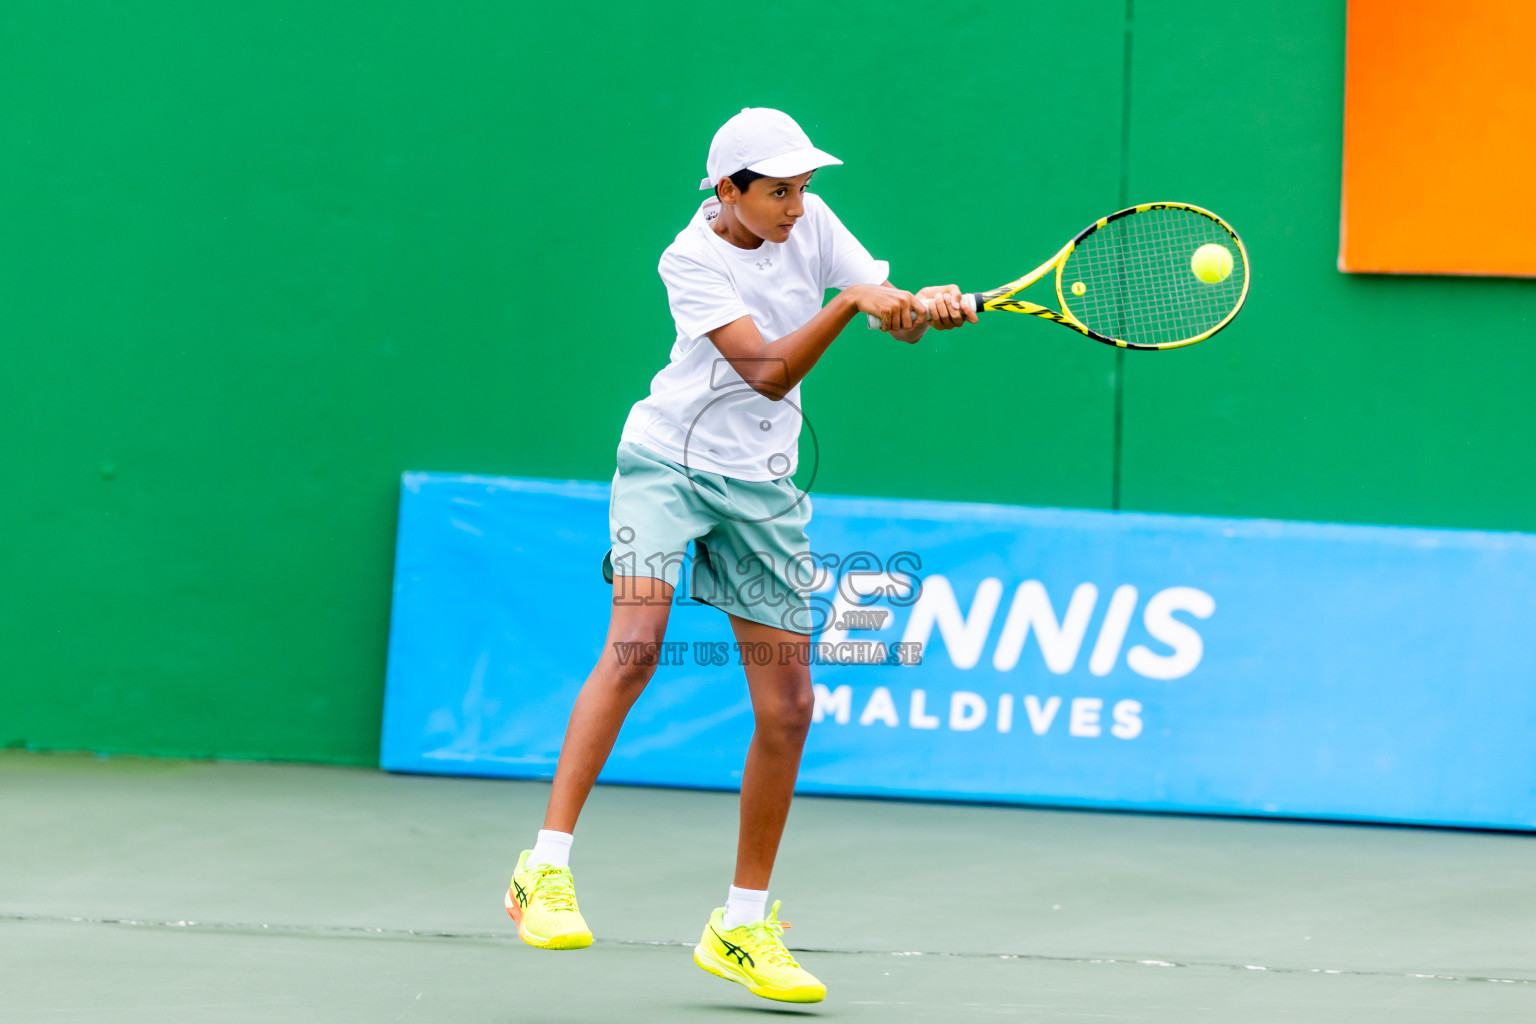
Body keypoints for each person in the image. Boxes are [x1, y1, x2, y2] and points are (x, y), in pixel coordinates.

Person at [503, 107, 974, 1004]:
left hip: (762, 482)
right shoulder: (690, 257)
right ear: (729, 192)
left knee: (790, 705)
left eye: (804, 187)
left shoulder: (815, 221)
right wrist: (853, 303)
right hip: (666, 464)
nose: (798, 205)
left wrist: (923, 312)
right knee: (637, 644)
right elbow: (765, 370)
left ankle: (743, 926)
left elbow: (893, 321)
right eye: (779, 191)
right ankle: (545, 868)